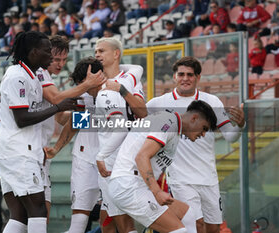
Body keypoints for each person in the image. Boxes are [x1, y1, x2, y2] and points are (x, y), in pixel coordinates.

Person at [45, 38, 146, 233]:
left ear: (115, 54)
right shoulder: (86, 90)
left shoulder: (127, 81)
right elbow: (70, 120)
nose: (98, 54)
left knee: (118, 219)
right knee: (83, 222)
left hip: (116, 160)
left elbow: (141, 115)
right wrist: (58, 107)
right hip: (86, 157)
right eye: (96, 51)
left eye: (102, 50)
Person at [0, 31, 78, 233]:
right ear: (34, 52)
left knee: (20, 215)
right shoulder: (19, 76)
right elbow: (23, 118)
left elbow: (62, 118)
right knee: (39, 209)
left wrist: (86, 113)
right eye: (50, 53)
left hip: (28, 150)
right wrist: (86, 87)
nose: (55, 60)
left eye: (63, 59)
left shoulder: (32, 75)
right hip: (20, 151)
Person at [146, 56, 245, 233]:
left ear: (198, 77)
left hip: (209, 178)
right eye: (181, 74)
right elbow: (133, 119)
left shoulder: (212, 102)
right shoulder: (158, 103)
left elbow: (231, 137)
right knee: (194, 226)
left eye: (190, 75)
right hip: (180, 180)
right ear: (174, 76)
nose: (185, 78)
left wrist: (240, 126)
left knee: (213, 229)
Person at [108, 100, 218, 233]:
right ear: (194, 118)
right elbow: (141, 157)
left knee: (188, 215)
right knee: (179, 231)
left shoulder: (172, 127)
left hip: (129, 184)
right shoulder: (168, 123)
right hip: (129, 185)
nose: (204, 134)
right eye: (204, 128)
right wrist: (157, 192)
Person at [36, 35, 105, 223]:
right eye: (56, 59)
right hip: (31, 151)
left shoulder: (118, 86)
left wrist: (79, 112)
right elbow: (63, 113)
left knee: (40, 215)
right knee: (36, 216)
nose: (60, 64)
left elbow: (64, 117)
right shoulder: (39, 74)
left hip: (110, 159)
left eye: (64, 60)